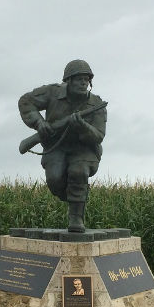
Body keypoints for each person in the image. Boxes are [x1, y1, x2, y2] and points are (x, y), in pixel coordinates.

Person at [18, 59, 107, 232]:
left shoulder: (96, 104)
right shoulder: (52, 92)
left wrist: (82, 126)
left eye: (86, 79)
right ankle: (76, 196)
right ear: (69, 80)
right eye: (79, 78)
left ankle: (76, 217)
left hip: (85, 149)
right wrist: (39, 123)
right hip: (56, 146)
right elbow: (26, 101)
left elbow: (98, 136)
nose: (83, 83)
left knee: (78, 172)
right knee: (55, 180)